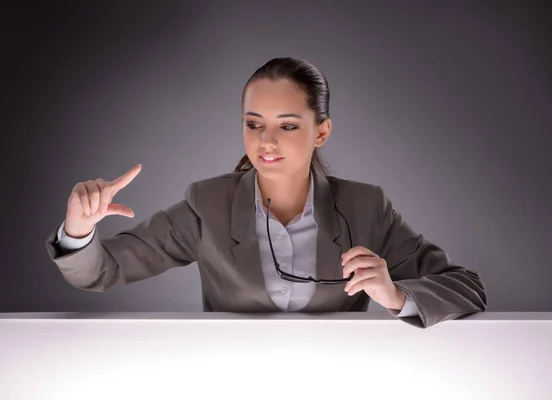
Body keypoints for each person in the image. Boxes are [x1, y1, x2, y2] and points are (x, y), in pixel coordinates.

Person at [44, 57, 487, 329]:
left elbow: (467, 288)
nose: (265, 142)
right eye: (253, 124)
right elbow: (101, 272)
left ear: (322, 132)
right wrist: (79, 230)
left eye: (287, 126)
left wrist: (396, 297)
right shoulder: (207, 204)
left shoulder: (366, 207)